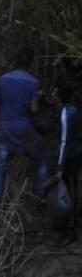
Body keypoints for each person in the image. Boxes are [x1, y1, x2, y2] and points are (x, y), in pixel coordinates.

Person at [0, 48, 49, 205]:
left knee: (0, 169)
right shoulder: (33, 82)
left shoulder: (3, 79)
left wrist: (4, 112)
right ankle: (42, 198)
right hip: (24, 128)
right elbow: (34, 109)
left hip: (5, 127)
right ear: (30, 64)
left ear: (15, 62)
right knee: (42, 159)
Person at [51, 85, 82, 239]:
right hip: (77, 155)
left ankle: (70, 229)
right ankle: (72, 223)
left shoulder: (65, 114)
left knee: (67, 192)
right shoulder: (73, 109)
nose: (52, 94)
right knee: (73, 189)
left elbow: (64, 141)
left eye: (54, 92)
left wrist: (60, 167)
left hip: (70, 158)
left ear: (59, 97)